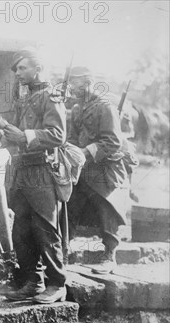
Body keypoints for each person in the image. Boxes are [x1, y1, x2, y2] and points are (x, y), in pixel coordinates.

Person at [1, 48, 69, 304]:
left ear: (37, 69)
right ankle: (33, 281)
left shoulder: (51, 97)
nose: (18, 74)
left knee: (45, 229)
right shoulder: (26, 98)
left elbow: (58, 135)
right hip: (22, 170)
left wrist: (25, 136)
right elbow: (19, 133)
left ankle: (57, 283)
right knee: (20, 230)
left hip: (41, 170)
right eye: (17, 70)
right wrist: (8, 134)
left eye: (22, 69)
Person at [67, 66, 134, 275]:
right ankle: (62, 251)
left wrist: (85, 151)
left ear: (87, 82)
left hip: (105, 170)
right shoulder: (78, 108)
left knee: (107, 211)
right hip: (83, 169)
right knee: (69, 208)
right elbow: (72, 137)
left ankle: (109, 256)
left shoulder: (105, 107)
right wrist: (69, 151)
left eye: (75, 83)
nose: (71, 88)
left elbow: (113, 141)